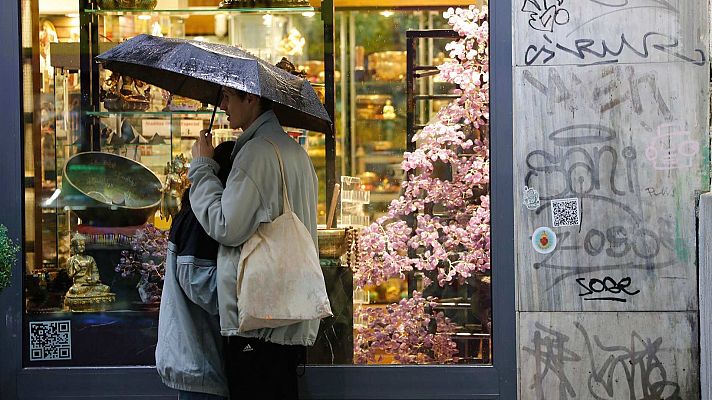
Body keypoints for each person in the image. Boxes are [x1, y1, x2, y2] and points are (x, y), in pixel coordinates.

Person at [188, 87, 320, 400]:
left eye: (229, 97)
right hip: (287, 316)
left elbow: (226, 226)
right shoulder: (294, 151)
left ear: (251, 98)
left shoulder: (256, 153)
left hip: (257, 321)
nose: (223, 105)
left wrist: (203, 167)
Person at [156, 141, 235, 400]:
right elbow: (199, 282)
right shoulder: (200, 220)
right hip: (199, 364)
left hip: (197, 362)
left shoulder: (196, 212)